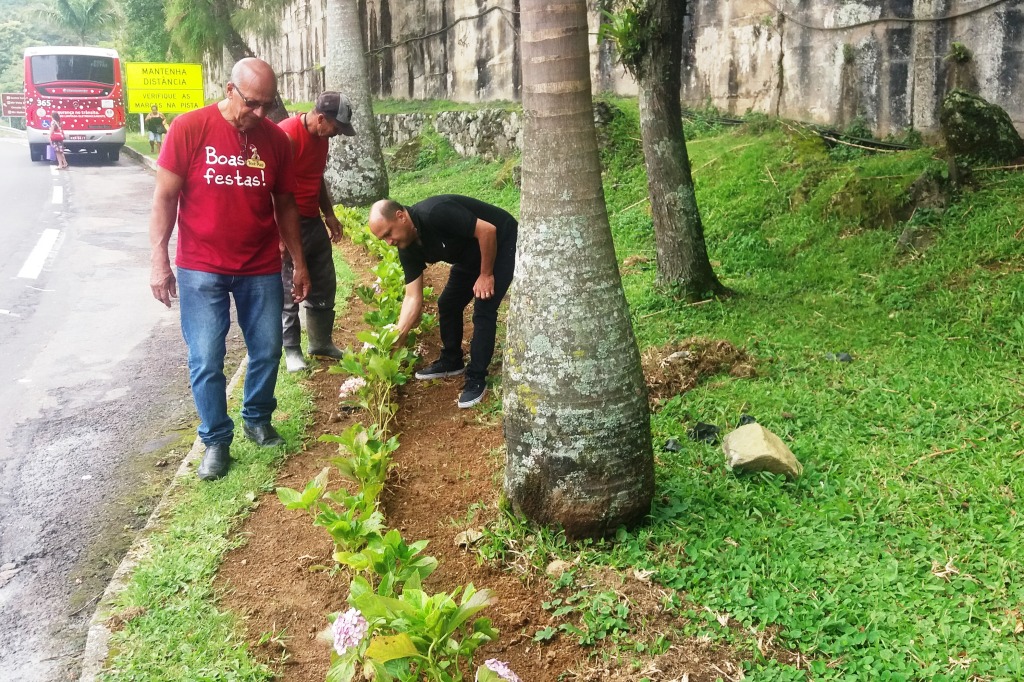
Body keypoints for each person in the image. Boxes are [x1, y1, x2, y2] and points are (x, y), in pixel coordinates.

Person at [149, 57, 311, 481]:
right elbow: (165, 197)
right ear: (229, 90)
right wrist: (158, 257)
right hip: (201, 267)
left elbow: (286, 204)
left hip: (260, 265)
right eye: (251, 103)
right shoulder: (189, 128)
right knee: (206, 357)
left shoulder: (276, 141)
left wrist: (298, 261)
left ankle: (257, 417)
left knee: (268, 349)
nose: (259, 113)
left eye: (267, 105)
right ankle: (216, 441)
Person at [367, 195, 517, 408]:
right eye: (383, 239)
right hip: (470, 254)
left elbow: (487, 230)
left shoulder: (434, 213)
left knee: (484, 307)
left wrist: (486, 275)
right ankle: (452, 360)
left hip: (501, 241)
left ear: (401, 216)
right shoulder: (407, 246)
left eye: (388, 233)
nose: (389, 242)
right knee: (448, 303)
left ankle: (477, 377)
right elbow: (412, 296)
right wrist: (398, 336)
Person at [276, 91, 356, 372]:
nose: (338, 133)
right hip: (288, 224)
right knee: (292, 286)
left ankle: (320, 342)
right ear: (321, 119)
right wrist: (280, 236)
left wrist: (329, 213)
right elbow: (271, 190)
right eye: (336, 127)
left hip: (311, 220)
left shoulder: (321, 138)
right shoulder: (286, 136)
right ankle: (292, 350)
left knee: (324, 280)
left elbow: (316, 176)